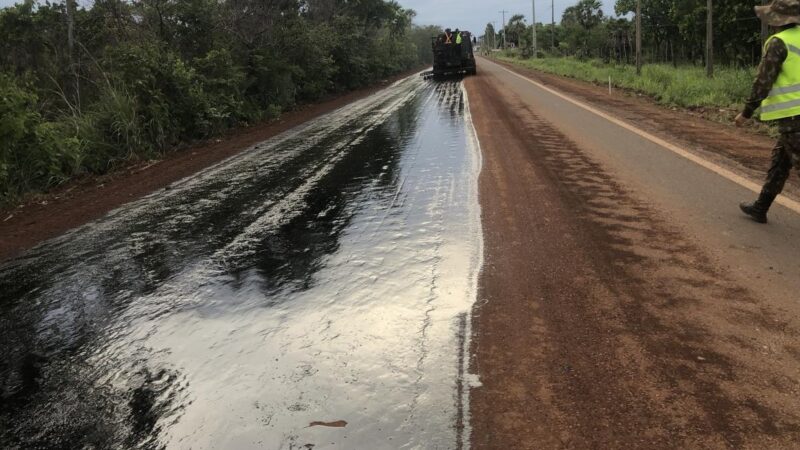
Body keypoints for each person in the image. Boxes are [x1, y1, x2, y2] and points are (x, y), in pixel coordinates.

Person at [737, 0, 800, 223]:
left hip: (794, 117)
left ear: (776, 20)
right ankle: (761, 207)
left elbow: (763, 82)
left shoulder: (778, 43)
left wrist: (746, 112)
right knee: (781, 160)